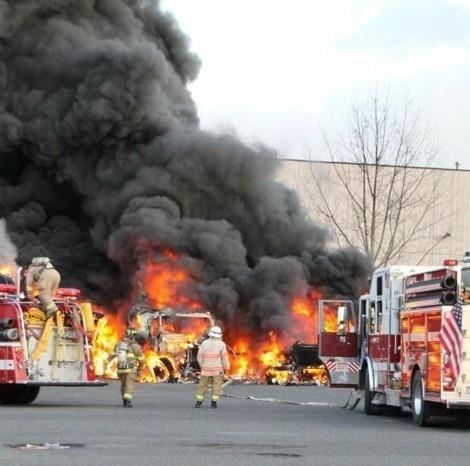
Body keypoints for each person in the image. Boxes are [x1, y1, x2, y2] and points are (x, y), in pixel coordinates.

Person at [194, 326, 230, 409]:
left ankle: (198, 403)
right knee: (216, 386)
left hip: (205, 369)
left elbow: (199, 357)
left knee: (202, 386)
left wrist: (202, 366)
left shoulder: (204, 343)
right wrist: (226, 367)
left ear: (210, 334)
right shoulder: (221, 344)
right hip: (217, 370)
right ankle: (213, 404)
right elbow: (224, 358)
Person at [114, 328, 145, 408]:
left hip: (121, 369)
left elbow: (113, 354)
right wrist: (140, 369)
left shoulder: (119, 344)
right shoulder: (136, 347)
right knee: (129, 385)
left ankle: (124, 399)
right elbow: (141, 360)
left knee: (123, 385)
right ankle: (127, 402)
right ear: (134, 336)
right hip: (131, 369)